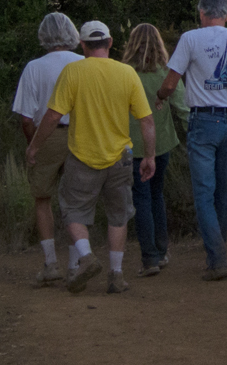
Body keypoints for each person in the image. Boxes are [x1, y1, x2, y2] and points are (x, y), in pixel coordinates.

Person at [26, 20, 156, 295]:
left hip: (82, 157)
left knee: (73, 210)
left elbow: (53, 116)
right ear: (110, 43)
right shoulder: (127, 73)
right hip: (120, 156)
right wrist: (149, 156)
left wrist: (35, 146)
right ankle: (116, 275)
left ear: (83, 45)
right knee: (118, 215)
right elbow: (146, 120)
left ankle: (86, 256)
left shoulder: (73, 72)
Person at [157, 0, 227, 281]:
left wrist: (160, 96)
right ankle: (218, 251)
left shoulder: (190, 39)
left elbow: (171, 82)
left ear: (201, 13)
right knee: (223, 190)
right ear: (226, 14)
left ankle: (217, 257)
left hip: (202, 121)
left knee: (204, 193)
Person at [11, 12, 83, 284]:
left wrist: (34, 143)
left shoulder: (34, 67)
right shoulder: (83, 63)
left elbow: (26, 118)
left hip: (47, 135)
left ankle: (51, 263)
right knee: (77, 200)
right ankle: (75, 264)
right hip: (79, 135)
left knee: (42, 198)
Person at [122, 23, 188, 277]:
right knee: (156, 195)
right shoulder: (165, 72)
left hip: (133, 144)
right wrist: (193, 134)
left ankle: (149, 258)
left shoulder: (125, 73)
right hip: (161, 143)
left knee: (141, 198)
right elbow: (182, 106)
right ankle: (160, 252)